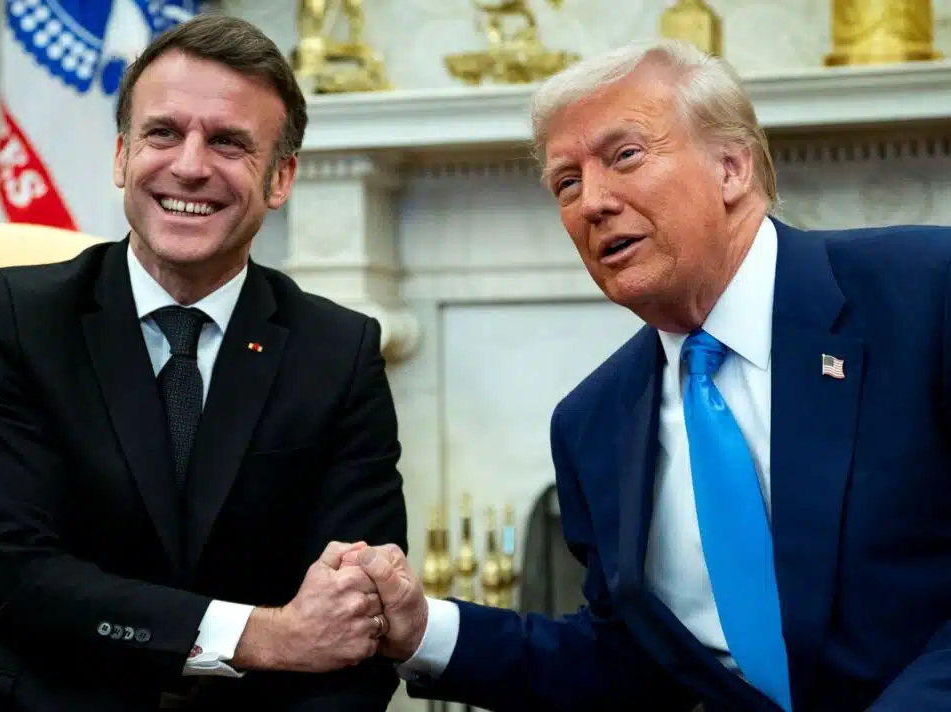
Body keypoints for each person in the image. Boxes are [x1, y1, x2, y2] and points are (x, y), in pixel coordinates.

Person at [338, 39, 951, 712]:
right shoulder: (592, 422)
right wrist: (422, 629)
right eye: (566, 183)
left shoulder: (925, 294)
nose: (592, 203)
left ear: (731, 167)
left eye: (625, 155)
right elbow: (624, 664)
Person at [0, 14, 405, 712]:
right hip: (20, 698)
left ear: (280, 177)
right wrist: (261, 636)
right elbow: (18, 574)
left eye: (227, 142)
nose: (189, 165)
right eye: (163, 133)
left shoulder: (337, 351)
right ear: (121, 156)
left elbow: (354, 620)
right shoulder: (10, 319)